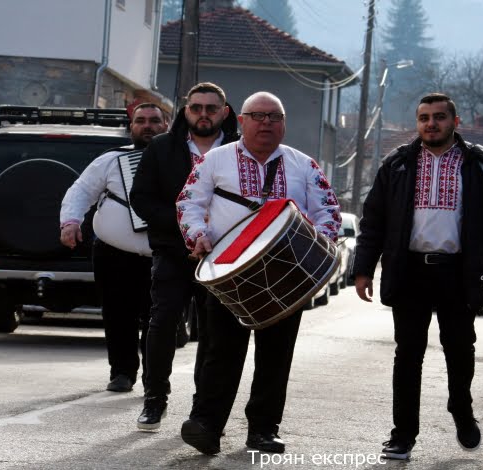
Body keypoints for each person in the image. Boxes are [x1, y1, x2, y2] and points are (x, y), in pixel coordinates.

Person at [352, 93, 483, 459]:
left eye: (439, 117)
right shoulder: (396, 165)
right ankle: (403, 435)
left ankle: (461, 410)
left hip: (459, 273)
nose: (431, 124)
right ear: (417, 123)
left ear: (454, 122)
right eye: (424, 117)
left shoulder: (479, 165)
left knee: (460, 351)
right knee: (408, 355)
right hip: (409, 271)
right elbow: (373, 221)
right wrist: (363, 269)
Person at [175, 91, 341, 455]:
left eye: (274, 117)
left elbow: (329, 211)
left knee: (276, 356)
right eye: (258, 116)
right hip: (229, 274)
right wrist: (198, 236)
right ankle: (206, 425)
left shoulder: (304, 165)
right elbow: (189, 202)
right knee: (221, 352)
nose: (266, 123)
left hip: (287, 278)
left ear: (283, 123)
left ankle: (264, 431)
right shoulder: (214, 160)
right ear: (242, 121)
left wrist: (321, 244)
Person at [130, 82, 240, 431]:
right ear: (185, 110)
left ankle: (201, 408)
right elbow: (142, 198)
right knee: (161, 325)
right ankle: (154, 400)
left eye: (211, 108)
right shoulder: (162, 148)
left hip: (223, 256)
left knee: (212, 332)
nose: (203, 114)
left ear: (224, 112)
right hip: (173, 252)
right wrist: (184, 227)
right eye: (196, 108)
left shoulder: (240, 151)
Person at [59, 103, 169, 393]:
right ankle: (122, 372)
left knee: (159, 317)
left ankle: (154, 377)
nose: (147, 126)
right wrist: (70, 222)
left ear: (166, 125)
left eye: (154, 121)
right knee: (118, 313)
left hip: (163, 253)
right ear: (130, 127)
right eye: (140, 121)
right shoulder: (109, 160)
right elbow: (81, 190)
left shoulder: (182, 160)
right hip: (113, 253)